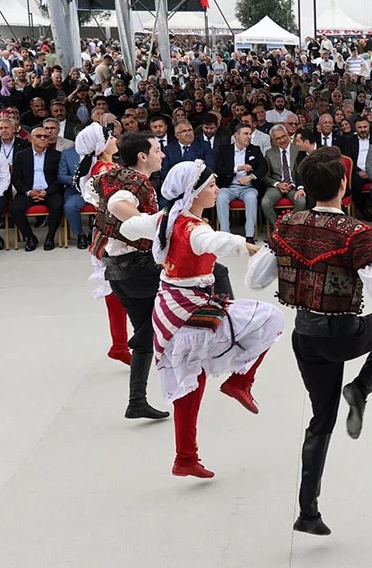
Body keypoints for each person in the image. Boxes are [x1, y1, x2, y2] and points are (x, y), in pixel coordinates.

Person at [246, 147, 372, 534]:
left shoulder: (288, 223)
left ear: (306, 188)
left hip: (304, 337)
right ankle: (362, 386)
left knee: (321, 421)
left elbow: (257, 280)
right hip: (341, 335)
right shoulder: (356, 232)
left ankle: (308, 513)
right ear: (342, 183)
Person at [121, 161, 284, 478]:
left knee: (188, 383)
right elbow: (216, 242)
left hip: (169, 310)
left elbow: (130, 228)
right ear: (194, 193)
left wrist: (138, 219)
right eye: (211, 186)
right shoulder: (195, 228)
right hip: (191, 310)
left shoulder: (167, 220)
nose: (217, 189)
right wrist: (257, 251)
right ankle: (241, 381)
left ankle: (185, 458)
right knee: (270, 317)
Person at [90, 131, 170, 420]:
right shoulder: (132, 183)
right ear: (142, 156)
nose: (162, 154)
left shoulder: (119, 176)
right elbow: (116, 205)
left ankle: (136, 401)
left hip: (119, 269)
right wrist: (156, 223)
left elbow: (93, 191)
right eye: (158, 150)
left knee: (146, 335)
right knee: (196, 287)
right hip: (135, 268)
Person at [75, 123, 132, 366]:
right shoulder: (105, 169)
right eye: (110, 137)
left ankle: (122, 343)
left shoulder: (103, 167)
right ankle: (121, 343)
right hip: (115, 234)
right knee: (120, 290)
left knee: (120, 290)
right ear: (101, 145)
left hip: (112, 232)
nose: (114, 139)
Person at [10, 125, 64, 251]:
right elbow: (16, 179)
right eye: (39, 136)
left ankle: (50, 237)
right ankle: (29, 237)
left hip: (49, 191)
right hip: (29, 191)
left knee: (57, 206)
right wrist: (28, 192)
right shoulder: (21, 155)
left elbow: (59, 179)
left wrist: (47, 191)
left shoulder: (56, 155)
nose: (43, 138)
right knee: (15, 209)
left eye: (45, 136)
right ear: (30, 139)